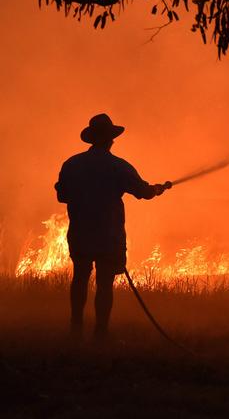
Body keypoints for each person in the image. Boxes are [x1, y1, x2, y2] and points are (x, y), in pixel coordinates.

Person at [55, 113, 172, 340]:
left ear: (91, 139)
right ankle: (101, 332)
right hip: (108, 234)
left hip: (80, 231)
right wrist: (158, 189)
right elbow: (144, 192)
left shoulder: (72, 164)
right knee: (105, 283)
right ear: (109, 140)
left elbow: (62, 196)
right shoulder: (118, 167)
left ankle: (75, 327)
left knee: (80, 277)